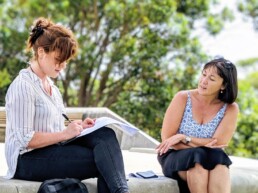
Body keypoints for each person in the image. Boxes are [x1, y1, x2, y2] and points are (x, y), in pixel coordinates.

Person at [5, 17, 129, 193]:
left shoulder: (53, 89)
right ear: (41, 52)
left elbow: (55, 131)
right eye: (58, 59)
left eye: (65, 61)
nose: (62, 66)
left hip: (51, 151)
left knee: (104, 134)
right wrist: (64, 134)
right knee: (103, 159)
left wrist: (78, 129)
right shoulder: (23, 86)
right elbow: (25, 139)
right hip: (26, 160)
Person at [156, 58, 238, 193]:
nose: (204, 81)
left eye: (211, 79)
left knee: (217, 162)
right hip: (175, 154)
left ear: (223, 85)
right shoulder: (182, 98)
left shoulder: (230, 108)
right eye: (204, 74)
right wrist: (201, 145)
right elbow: (168, 140)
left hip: (207, 158)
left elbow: (218, 143)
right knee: (200, 158)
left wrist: (184, 137)